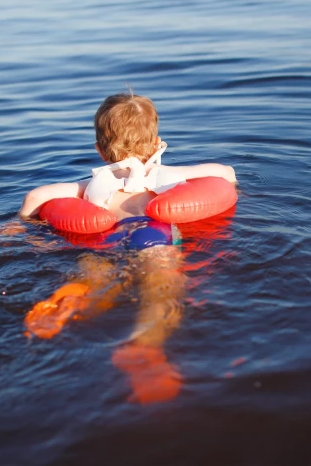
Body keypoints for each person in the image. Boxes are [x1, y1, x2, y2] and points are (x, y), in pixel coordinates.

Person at [19, 92, 236, 404]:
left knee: (94, 280)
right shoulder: (167, 175)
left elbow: (37, 196)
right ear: (157, 141)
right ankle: (145, 344)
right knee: (161, 290)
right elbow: (225, 173)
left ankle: (64, 306)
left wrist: (20, 222)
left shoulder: (92, 184)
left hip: (105, 239)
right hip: (153, 238)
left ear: (99, 150)